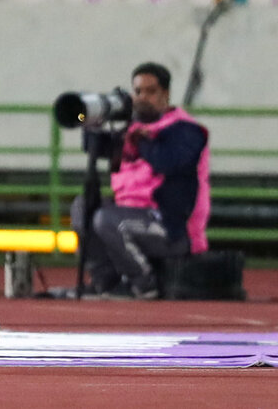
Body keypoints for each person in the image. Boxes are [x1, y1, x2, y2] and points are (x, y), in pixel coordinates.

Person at [72, 62, 210, 299]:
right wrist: (87, 118)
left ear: (166, 94)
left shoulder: (187, 130)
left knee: (108, 219)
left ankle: (144, 284)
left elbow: (169, 162)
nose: (142, 97)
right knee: (83, 207)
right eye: (137, 91)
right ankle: (106, 282)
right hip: (131, 217)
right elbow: (94, 147)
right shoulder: (132, 129)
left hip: (173, 227)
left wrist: (142, 142)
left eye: (150, 91)